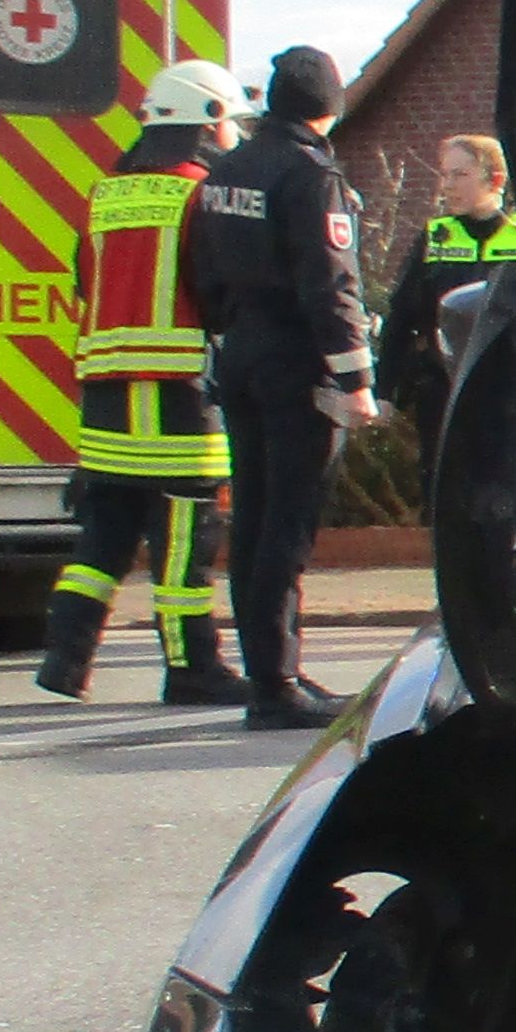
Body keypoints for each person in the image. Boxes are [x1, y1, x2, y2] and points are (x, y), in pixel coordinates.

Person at [36, 57, 249, 706]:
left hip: (105, 395)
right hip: (178, 391)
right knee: (185, 537)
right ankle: (191, 667)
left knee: (103, 536)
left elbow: (82, 281)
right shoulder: (199, 194)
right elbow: (218, 293)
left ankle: (64, 662)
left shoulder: (105, 194)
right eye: (231, 120)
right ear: (210, 118)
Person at [189, 43, 377, 728]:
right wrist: (356, 376)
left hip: (240, 353)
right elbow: (330, 282)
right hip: (298, 364)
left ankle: (272, 672)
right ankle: (278, 686)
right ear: (331, 103)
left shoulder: (226, 168)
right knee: (287, 529)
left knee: (257, 521)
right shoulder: (310, 175)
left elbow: (203, 272)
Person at [376, 131, 516, 434]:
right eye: (445, 175)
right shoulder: (436, 236)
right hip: (441, 391)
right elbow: (400, 318)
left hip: (510, 394)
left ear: (496, 180)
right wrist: (385, 391)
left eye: (461, 175)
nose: (448, 186)